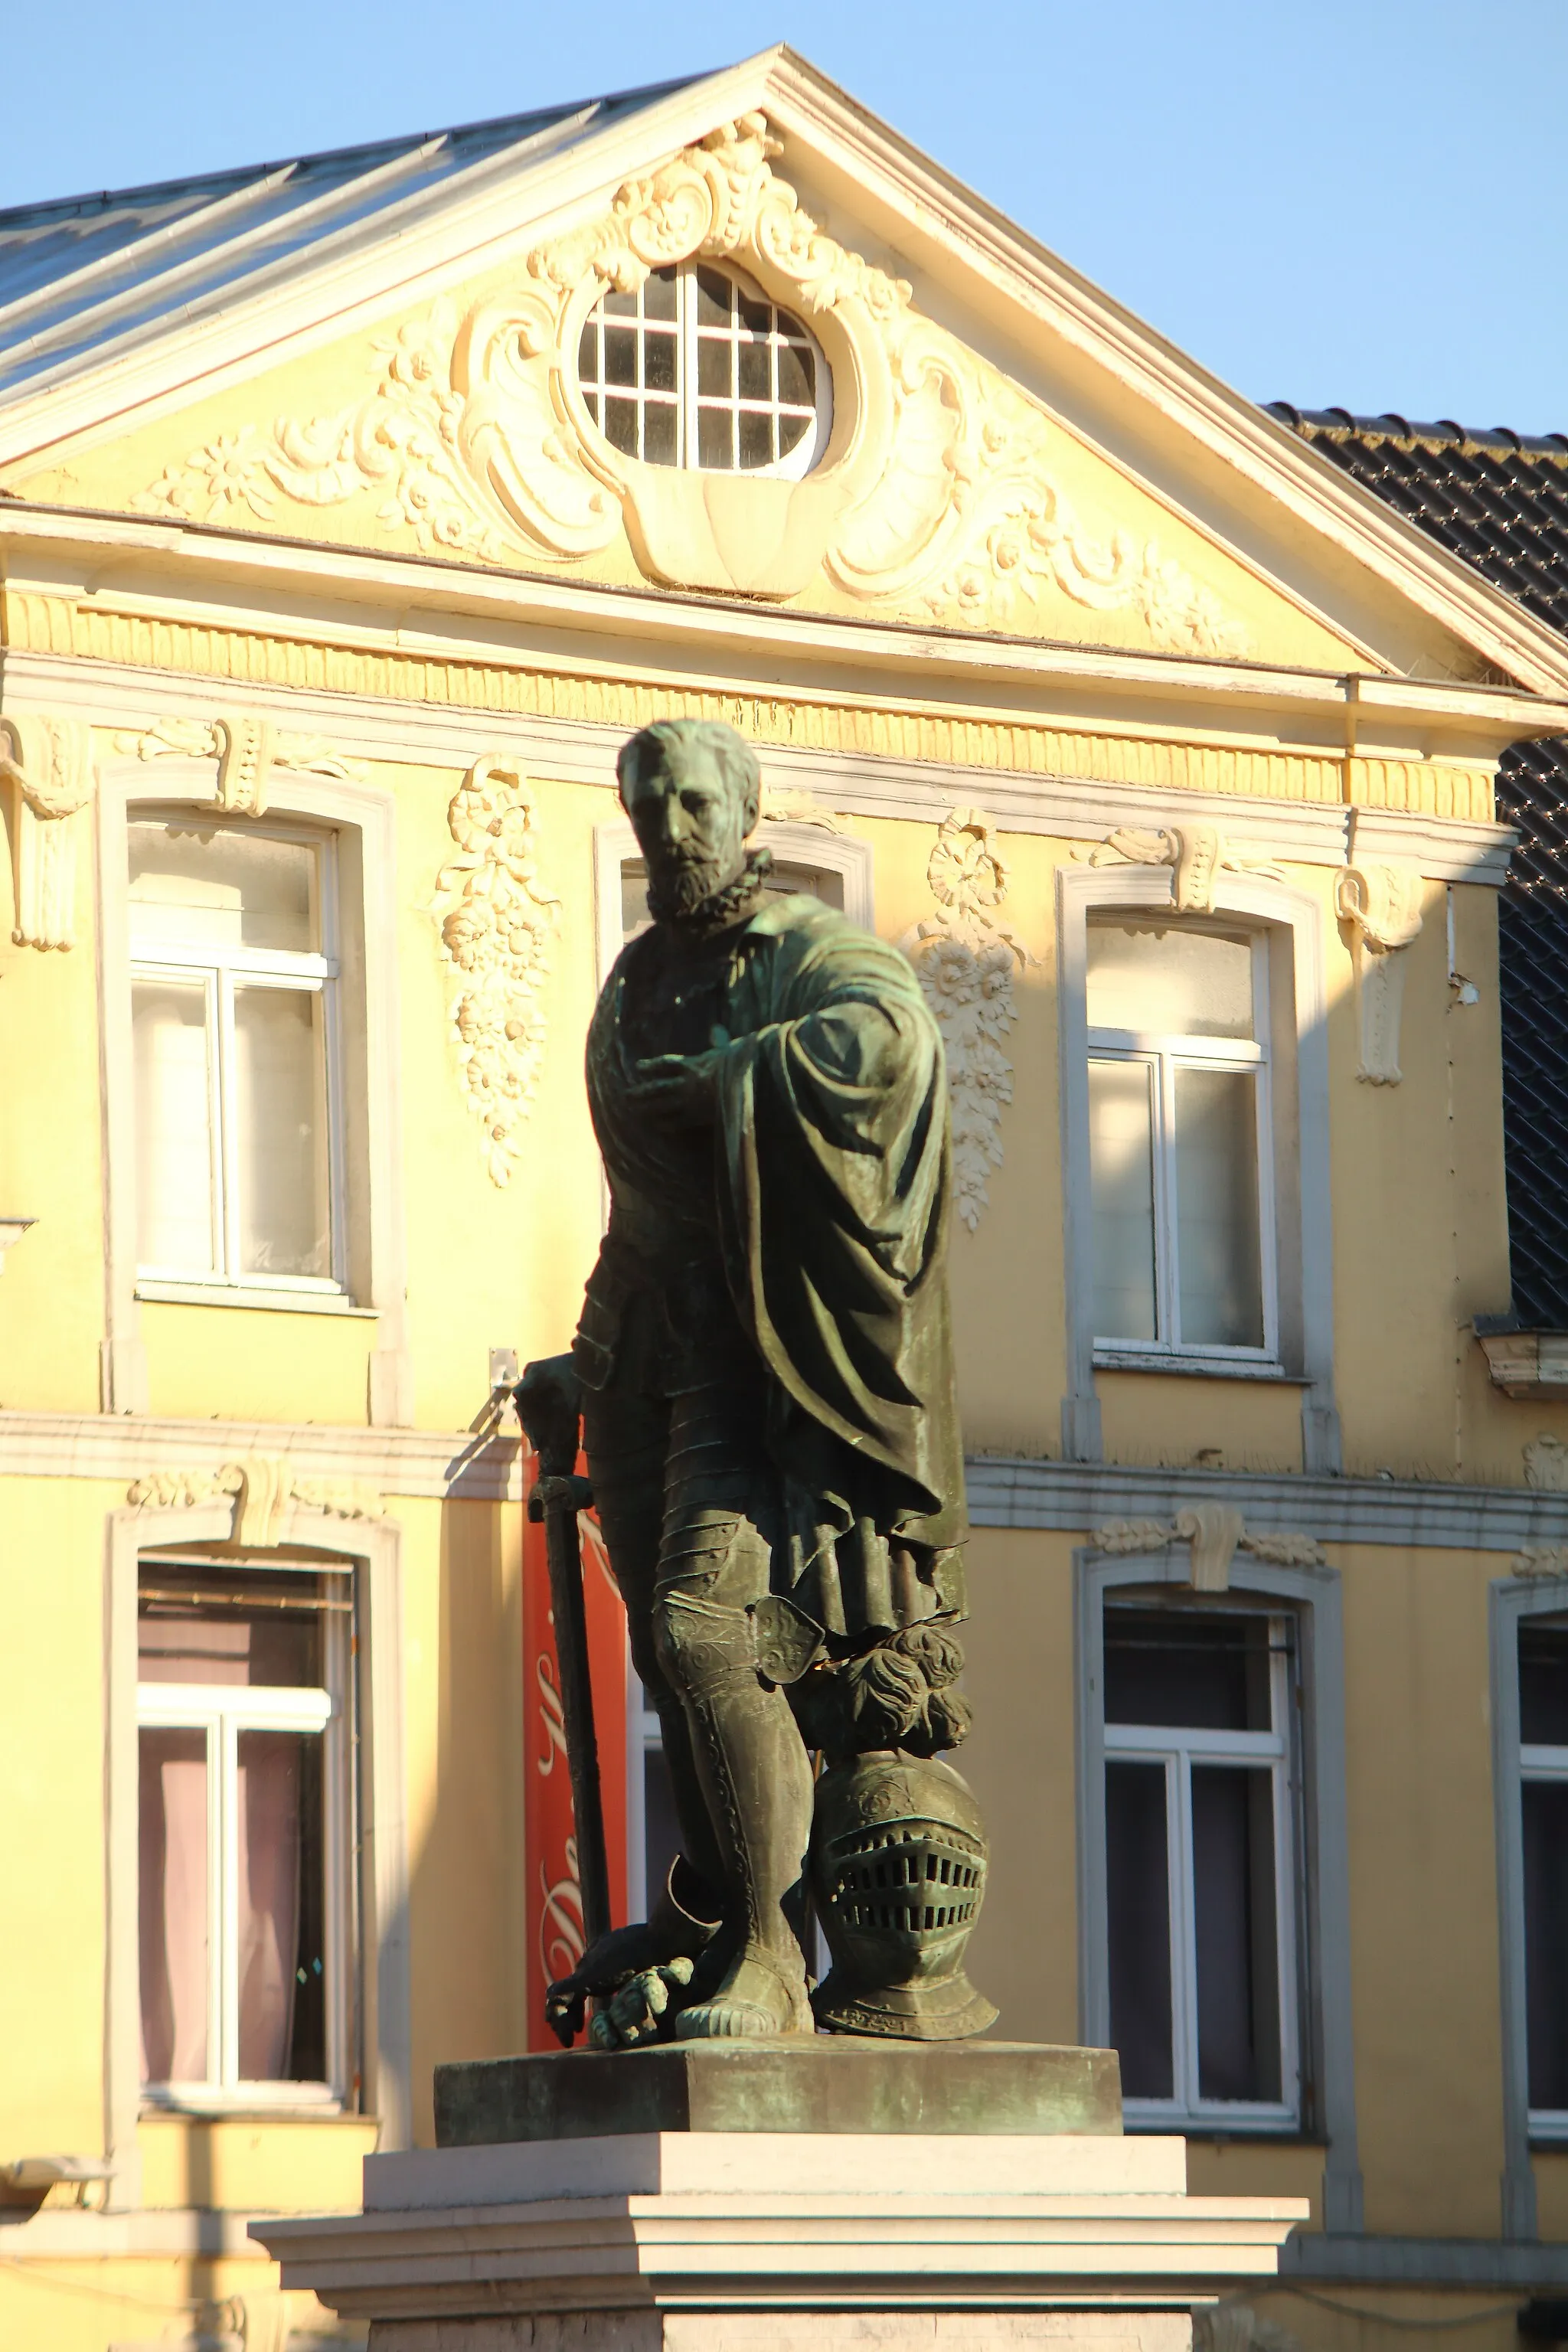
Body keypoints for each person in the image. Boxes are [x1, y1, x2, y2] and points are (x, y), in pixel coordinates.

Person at [522, 718, 967, 2043]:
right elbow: (635, 1214)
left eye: (697, 802)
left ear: (748, 809)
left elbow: (892, 1044)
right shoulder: (629, 987)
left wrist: (734, 1079)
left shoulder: (805, 953)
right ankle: (717, 1910)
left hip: (762, 1363)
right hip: (646, 1357)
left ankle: (772, 1956)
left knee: (704, 1630)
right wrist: (582, 1355)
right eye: (651, 806)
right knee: (675, 1668)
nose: (674, 827)